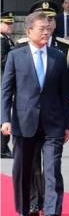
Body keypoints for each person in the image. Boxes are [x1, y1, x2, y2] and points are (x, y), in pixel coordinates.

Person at [1, 11, 69, 216]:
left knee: (52, 171)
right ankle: (25, 209)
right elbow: (6, 90)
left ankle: (52, 212)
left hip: (54, 123)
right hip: (24, 122)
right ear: (29, 30)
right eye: (42, 29)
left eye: (49, 29)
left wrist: (67, 124)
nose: (46, 33)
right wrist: (5, 119)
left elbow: (64, 93)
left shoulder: (58, 57)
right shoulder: (16, 56)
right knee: (24, 171)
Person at [23, 1, 69, 215]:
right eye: (44, 20)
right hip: (29, 117)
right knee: (32, 166)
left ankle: (52, 209)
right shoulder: (21, 46)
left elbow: (68, 83)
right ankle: (35, 202)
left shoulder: (63, 47)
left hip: (53, 117)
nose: (49, 24)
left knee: (52, 169)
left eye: (51, 19)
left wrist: (68, 117)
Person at [0, 11, 15, 159]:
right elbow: (3, 61)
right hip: (2, 81)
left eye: (11, 23)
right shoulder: (2, 41)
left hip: (5, 81)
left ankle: (3, 147)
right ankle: (2, 148)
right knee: (3, 116)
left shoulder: (6, 39)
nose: (10, 25)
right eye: (7, 23)